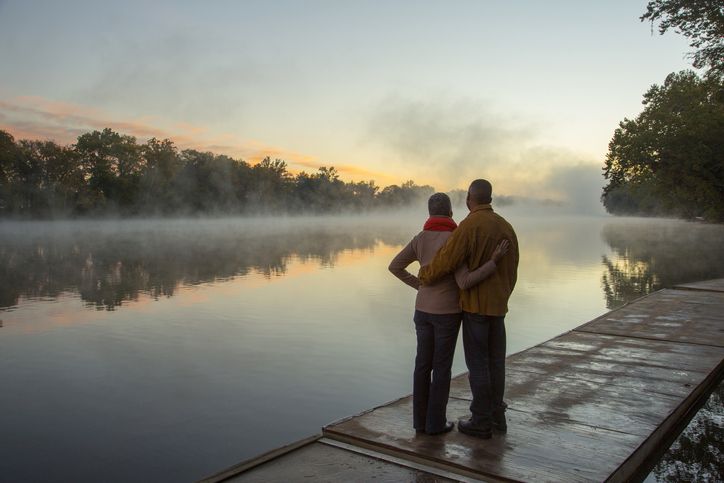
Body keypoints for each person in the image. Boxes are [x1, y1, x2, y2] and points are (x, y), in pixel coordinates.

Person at [389, 192, 509, 435]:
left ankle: (419, 423)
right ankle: (436, 423)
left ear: (430, 213)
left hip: (422, 311)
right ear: (451, 213)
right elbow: (465, 281)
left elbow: (395, 266)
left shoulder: (420, 239)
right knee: (441, 368)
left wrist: (419, 285)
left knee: (422, 365)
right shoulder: (456, 239)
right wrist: (493, 262)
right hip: (448, 314)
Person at [418, 179, 519, 439]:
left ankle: (481, 420)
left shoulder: (469, 226)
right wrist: (503, 295)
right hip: (498, 307)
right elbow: (513, 270)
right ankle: (498, 416)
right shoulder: (506, 227)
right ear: (491, 198)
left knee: (478, 364)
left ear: (468, 199)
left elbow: (447, 260)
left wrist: (425, 275)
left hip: (475, 307)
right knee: (496, 363)